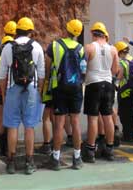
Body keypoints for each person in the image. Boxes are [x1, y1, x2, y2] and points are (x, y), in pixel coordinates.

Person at [0, 17, 45, 175]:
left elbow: (2, 75)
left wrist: (4, 94)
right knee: (29, 126)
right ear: (31, 31)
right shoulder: (37, 47)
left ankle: (11, 162)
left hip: (13, 88)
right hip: (31, 88)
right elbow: (42, 73)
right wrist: (38, 91)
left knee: (12, 126)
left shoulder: (7, 48)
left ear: (16, 31)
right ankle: (29, 161)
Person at [45, 19, 86, 170]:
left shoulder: (55, 45)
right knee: (75, 122)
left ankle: (55, 158)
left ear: (66, 29)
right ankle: (77, 158)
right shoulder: (81, 48)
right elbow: (83, 71)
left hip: (59, 87)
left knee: (59, 123)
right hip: (75, 88)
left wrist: (48, 81)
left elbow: (47, 66)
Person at [82, 22, 119, 163]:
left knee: (92, 118)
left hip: (93, 84)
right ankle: (109, 149)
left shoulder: (89, 48)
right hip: (108, 84)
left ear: (93, 33)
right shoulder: (113, 49)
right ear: (105, 35)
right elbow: (115, 70)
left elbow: (83, 68)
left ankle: (91, 149)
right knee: (107, 116)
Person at [0, 21, 16, 156]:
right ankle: (11, 144)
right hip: (13, 88)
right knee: (12, 117)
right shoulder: (16, 51)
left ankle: (1, 145)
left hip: (0, 89)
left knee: (0, 117)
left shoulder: (0, 56)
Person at [114, 41, 133, 143]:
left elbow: (119, 76)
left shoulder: (121, 62)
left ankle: (127, 135)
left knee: (124, 113)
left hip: (124, 90)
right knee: (131, 112)